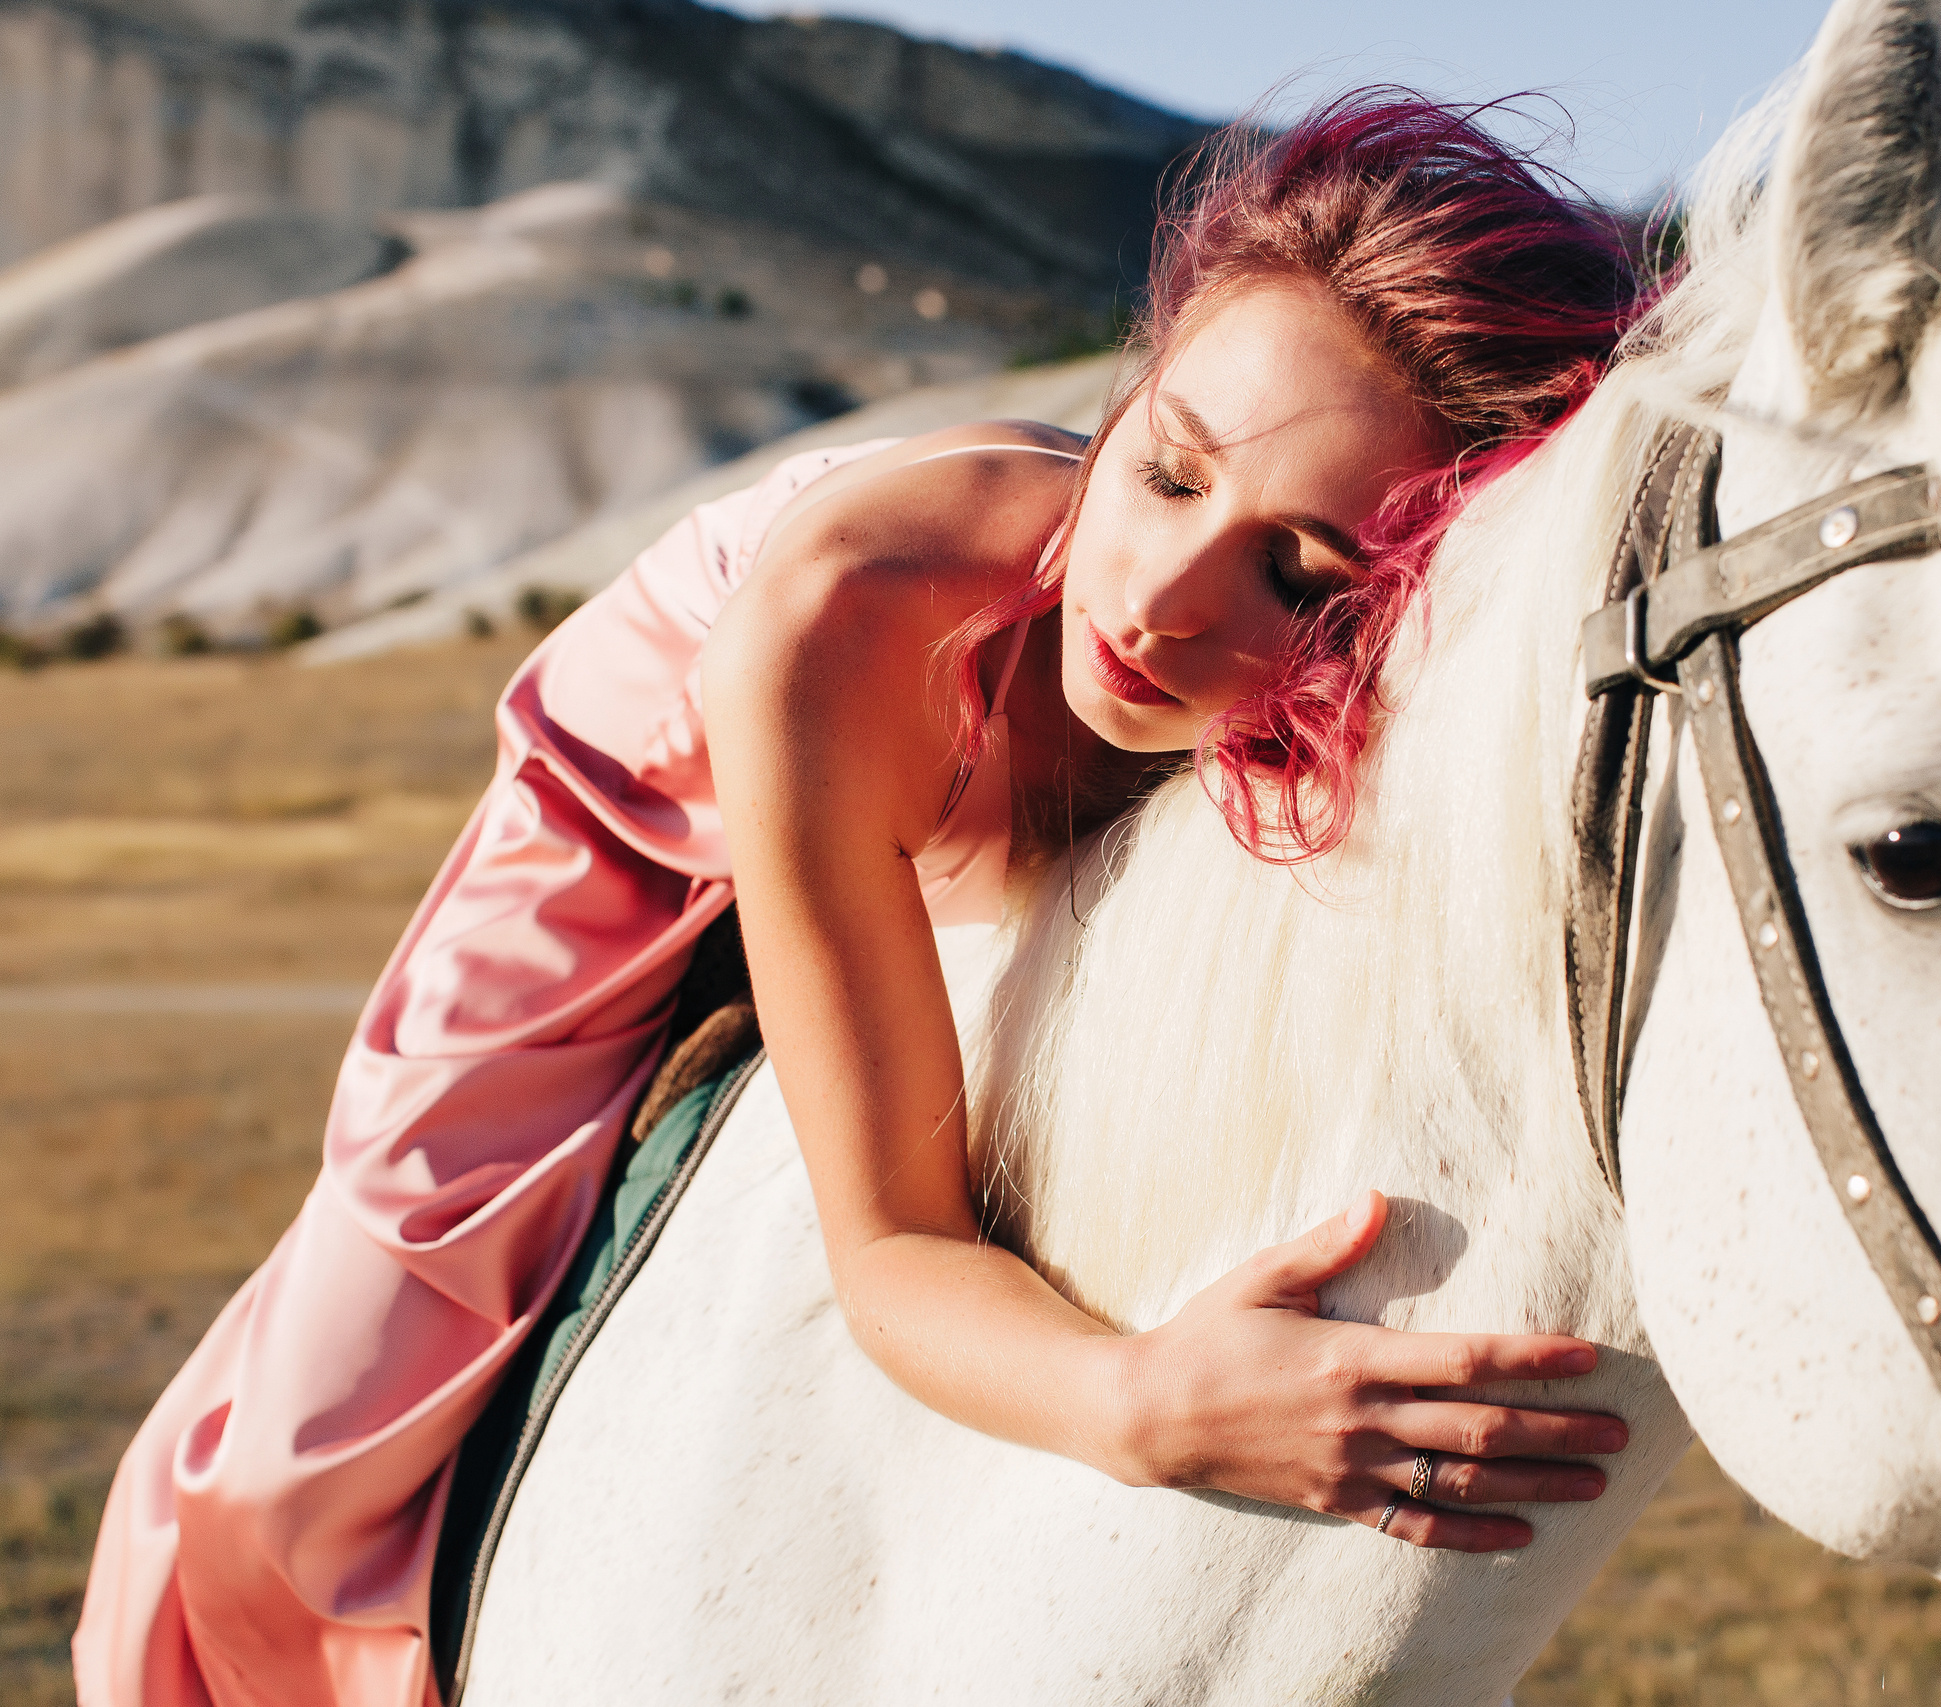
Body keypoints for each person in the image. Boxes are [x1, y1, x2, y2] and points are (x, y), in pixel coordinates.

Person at [77, 92, 1645, 1706]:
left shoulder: (1377, 722)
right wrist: (1142, 1406)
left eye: (1300, 576)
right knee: (336, 1393)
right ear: (1128, 400)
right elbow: (892, 1242)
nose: (1163, 605)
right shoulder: (851, 614)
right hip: (642, 815)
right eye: (1168, 475)